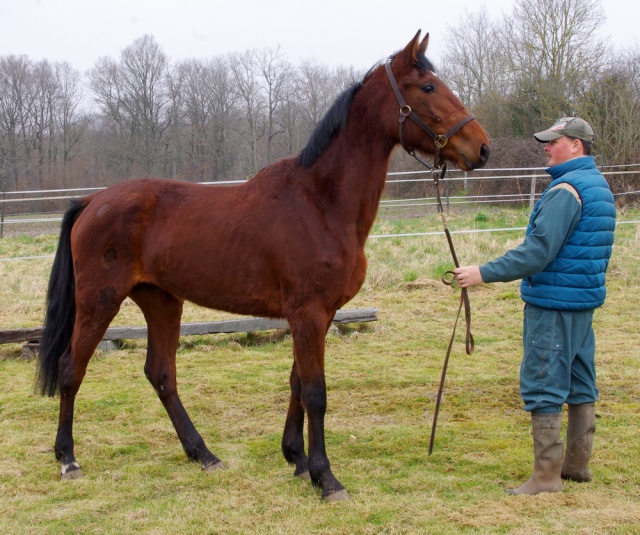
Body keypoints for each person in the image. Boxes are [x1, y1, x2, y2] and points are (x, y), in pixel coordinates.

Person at [454, 117, 616, 495]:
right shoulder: (598, 185)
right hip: (582, 301)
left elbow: (538, 252)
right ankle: (576, 466)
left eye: (553, 141)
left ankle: (545, 478)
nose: (546, 147)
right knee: (579, 381)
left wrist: (483, 272)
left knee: (543, 382)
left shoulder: (566, 189)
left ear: (576, 145)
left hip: (553, 303)